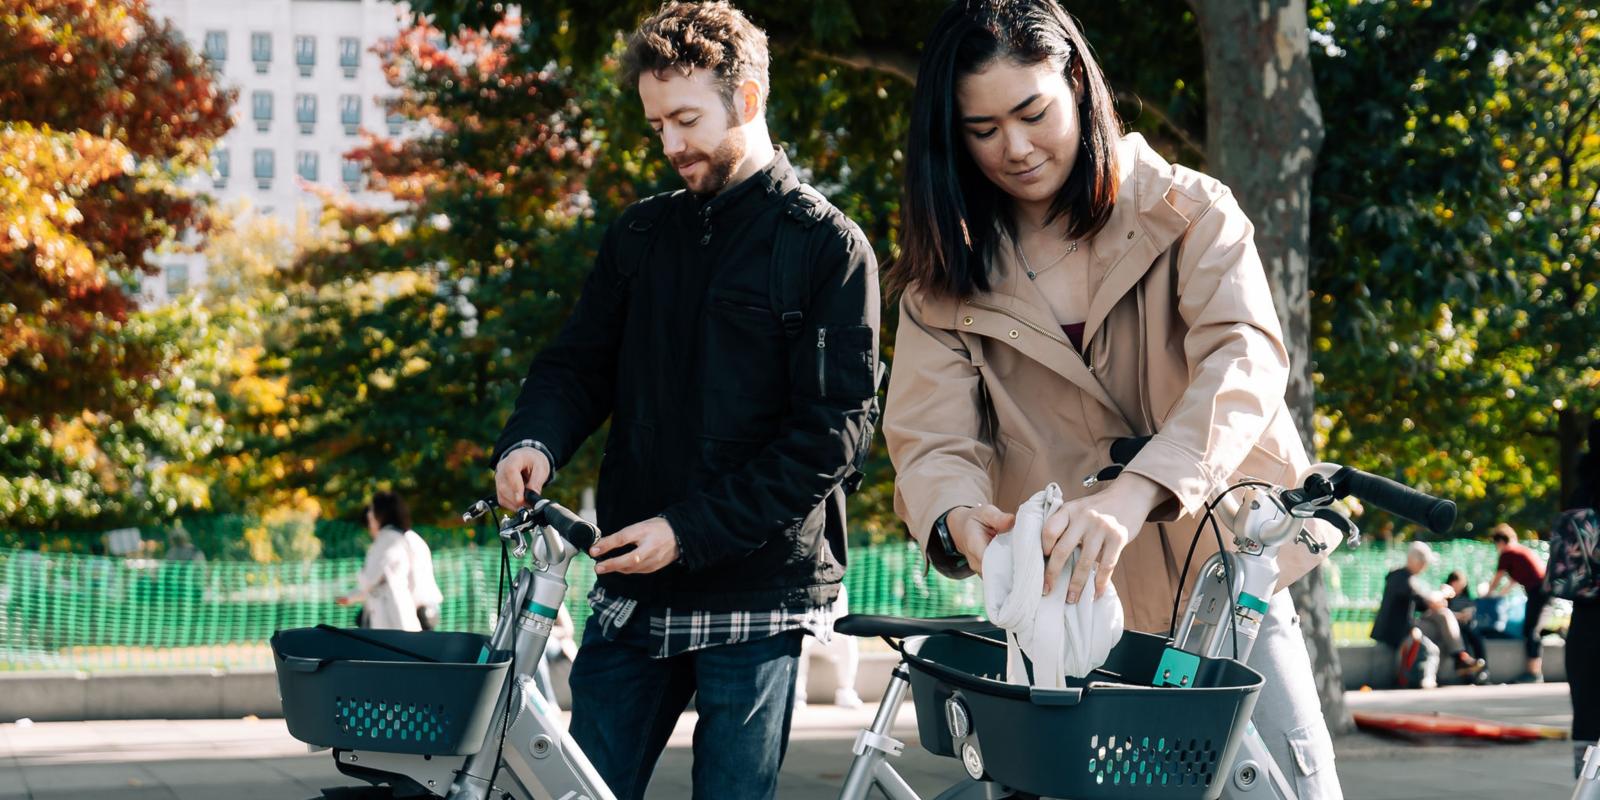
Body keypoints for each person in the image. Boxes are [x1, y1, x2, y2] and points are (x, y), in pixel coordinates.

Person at [882, 2, 1349, 795]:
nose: (1016, 148)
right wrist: (962, 519)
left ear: (1077, 85)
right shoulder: (939, 279)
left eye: (1033, 113)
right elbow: (930, 440)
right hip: (1069, 617)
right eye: (983, 128)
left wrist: (1138, 491)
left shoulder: (1190, 208)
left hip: (1228, 585)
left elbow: (1246, 359)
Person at [489, 4, 879, 797]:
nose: (669, 145)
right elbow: (574, 366)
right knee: (573, 789)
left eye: (686, 119)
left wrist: (686, 531)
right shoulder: (638, 236)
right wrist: (532, 440)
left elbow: (831, 438)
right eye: (656, 125)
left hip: (757, 593)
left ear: (750, 96)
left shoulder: (828, 248)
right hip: (632, 584)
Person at [1370, 542, 1485, 688]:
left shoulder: (1404, 578)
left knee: (1443, 616)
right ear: (1417, 561)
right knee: (1441, 626)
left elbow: (1424, 604)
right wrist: (1443, 592)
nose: (1425, 567)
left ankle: (1459, 657)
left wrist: (1440, 601)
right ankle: (1457, 659)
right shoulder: (1402, 578)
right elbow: (1428, 600)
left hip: (1406, 627)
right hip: (1397, 632)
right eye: (1425, 563)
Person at [1554, 418, 1599, 776]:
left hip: (1586, 620)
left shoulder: (1578, 498)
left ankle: (1587, 783)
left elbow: (1559, 575)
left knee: (1586, 710)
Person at [336, 492, 421, 632]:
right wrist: (352, 597)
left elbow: (369, 580)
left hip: (390, 618)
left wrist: (360, 578)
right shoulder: (400, 538)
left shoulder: (385, 540)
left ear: (379, 515)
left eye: (372, 511)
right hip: (402, 613)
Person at [1487, 523, 1548, 682]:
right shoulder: (1518, 551)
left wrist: (1487, 596)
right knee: (1532, 628)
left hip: (1539, 591)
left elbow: (1497, 578)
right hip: (1543, 590)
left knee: (1531, 630)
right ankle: (1534, 671)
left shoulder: (1508, 553)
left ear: (1500, 541)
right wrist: (1500, 594)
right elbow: (1513, 580)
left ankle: (1534, 673)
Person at [795, 583, 863, 709]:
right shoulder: (800, 583)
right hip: (807, 636)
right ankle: (797, 694)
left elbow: (840, 621)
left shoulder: (839, 587)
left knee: (849, 640)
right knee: (800, 641)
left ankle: (845, 691)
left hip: (828, 636)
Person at [1443, 569, 1489, 668]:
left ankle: (1483, 668)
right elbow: (1443, 612)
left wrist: (1469, 612)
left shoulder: (1466, 598)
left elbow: (1472, 608)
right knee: (1463, 640)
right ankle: (1466, 670)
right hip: (1454, 628)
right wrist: (1458, 616)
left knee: (1476, 637)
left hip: (1467, 626)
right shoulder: (1445, 597)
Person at [404, 527, 444, 630]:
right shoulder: (415, 539)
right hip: (430, 605)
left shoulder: (403, 540)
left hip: (420, 607)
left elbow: (413, 578)